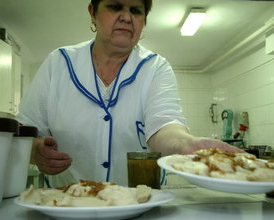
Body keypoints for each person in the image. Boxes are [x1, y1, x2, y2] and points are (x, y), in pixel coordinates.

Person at [17, 0, 243, 188]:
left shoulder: (154, 67)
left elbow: (164, 124)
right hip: (66, 202)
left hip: (139, 202)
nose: (126, 17)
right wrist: (35, 151)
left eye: (136, 10)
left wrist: (187, 144)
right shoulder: (59, 63)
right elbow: (25, 132)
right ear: (93, 12)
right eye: (115, 6)